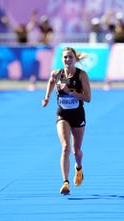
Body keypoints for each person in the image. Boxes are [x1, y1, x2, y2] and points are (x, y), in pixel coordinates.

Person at [41, 47, 91, 195]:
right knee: (65, 148)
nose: (67, 60)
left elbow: (88, 98)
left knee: (76, 151)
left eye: (70, 57)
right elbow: (51, 82)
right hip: (62, 114)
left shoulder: (81, 75)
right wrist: (47, 97)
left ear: (75, 59)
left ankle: (79, 167)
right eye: (65, 57)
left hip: (78, 115)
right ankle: (65, 182)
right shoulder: (57, 74)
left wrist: (71, 92)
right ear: (62, 59)